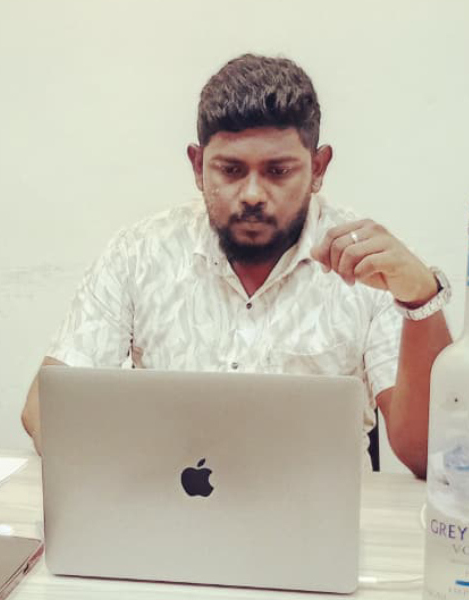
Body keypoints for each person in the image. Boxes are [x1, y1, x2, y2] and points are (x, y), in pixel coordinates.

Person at [22, 54, 452, 478]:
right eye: (230, 170)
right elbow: (44, 412)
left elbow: (429, 456)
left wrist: (421, 300)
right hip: (168, 506)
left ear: (318, 168)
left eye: (278, 171)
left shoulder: (368, 265)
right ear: (198, 166)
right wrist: (133, 473)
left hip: (315, 514)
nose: (252, 195)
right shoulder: (140, 252)